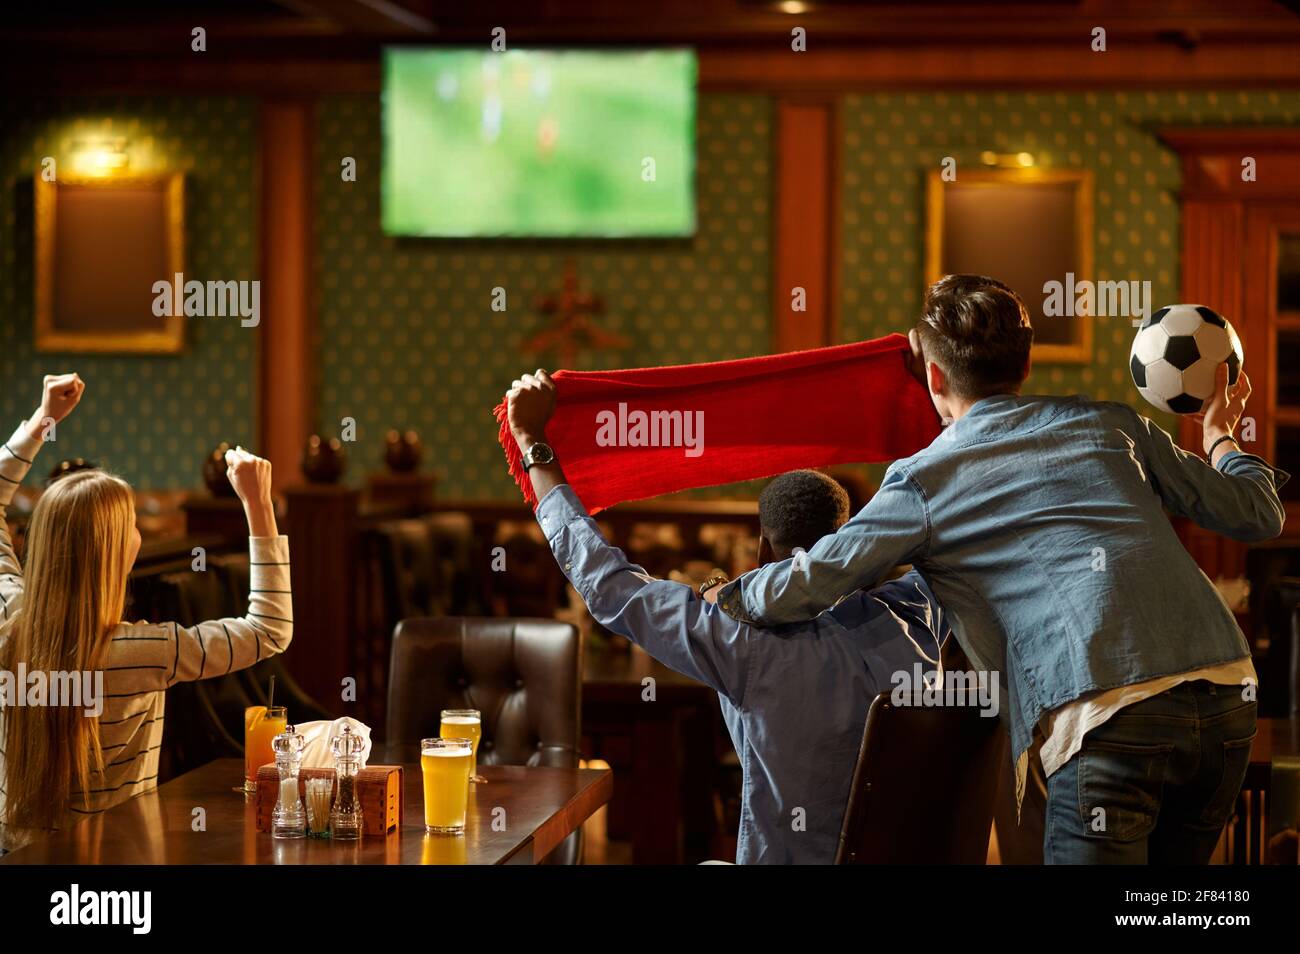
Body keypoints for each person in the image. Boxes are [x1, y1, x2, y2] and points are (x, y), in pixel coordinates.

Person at [713, 274, 1288, 864]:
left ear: (934, 377)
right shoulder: (1114, 425)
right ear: (1028, 361)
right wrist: (1220, 435)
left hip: (1109, 715)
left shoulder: (923, 480)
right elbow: (1257, 514)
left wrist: (722, 600)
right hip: (1227, 694)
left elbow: (808, 582)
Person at [504, 369, 950, 864]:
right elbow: (954, 547)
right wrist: (943, 406)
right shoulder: (915, 612)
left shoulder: (741, 643)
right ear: (847, 545)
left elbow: (608, 584)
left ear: (761, 547)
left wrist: (533, 442)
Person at [0, 374, 293, 852]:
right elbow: (269, 630)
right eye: (133, 525)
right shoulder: (144, 652)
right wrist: (258, 505)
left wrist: (41, 421)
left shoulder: (8, 623)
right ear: (116, 554)